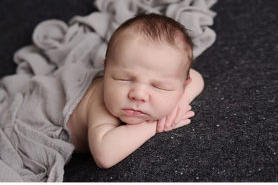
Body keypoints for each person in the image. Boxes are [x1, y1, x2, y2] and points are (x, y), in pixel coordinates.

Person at [66, 14, 205, 169]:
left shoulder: (180, 86)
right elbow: (105, 155)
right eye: (123, 78)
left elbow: (196, 77)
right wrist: (156, 125)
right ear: (106, 70)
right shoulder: (102, 105)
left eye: (159, 86)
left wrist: (182, 98)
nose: (138, 94)